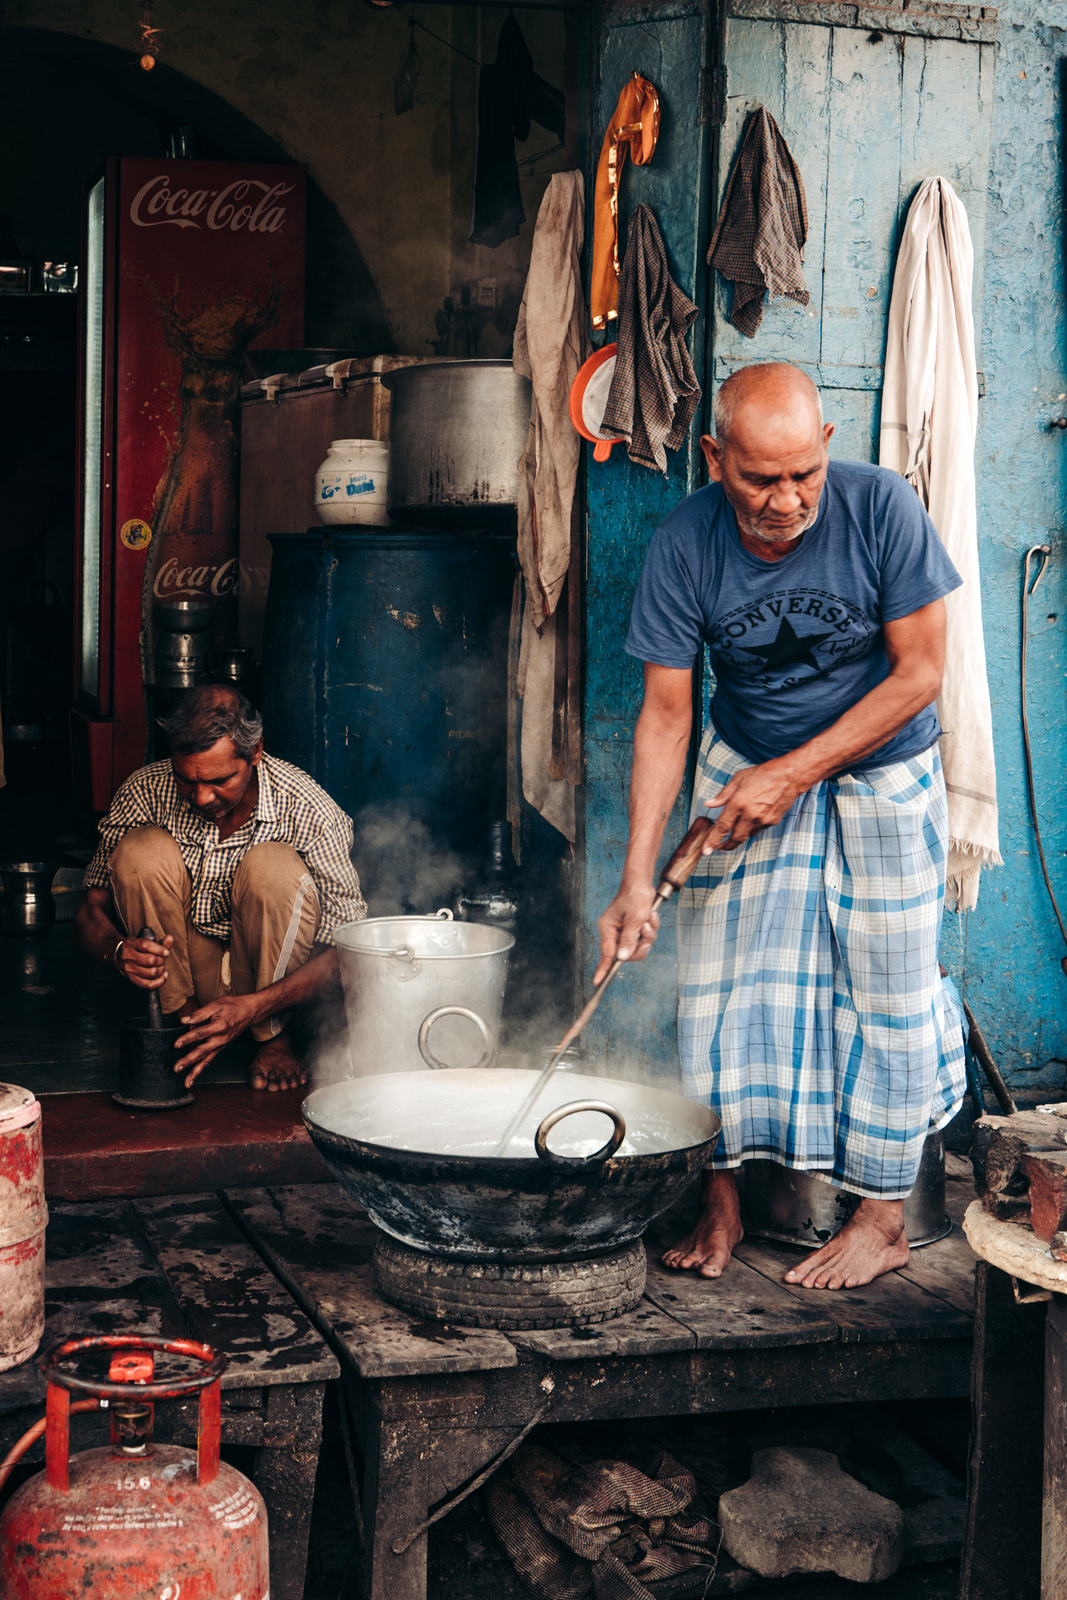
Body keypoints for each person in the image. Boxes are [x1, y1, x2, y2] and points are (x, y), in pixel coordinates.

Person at [596, 362, 967, 1290]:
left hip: (882, 766)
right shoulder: (684, 543)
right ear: (715, 457)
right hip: (744, 762)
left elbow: (920, 675)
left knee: (890, 986)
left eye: (802, 474)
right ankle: (718, 1206)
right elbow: (667, 717)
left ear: (826, 451)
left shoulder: (881, 508)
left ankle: (882, 1219)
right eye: (759, 477)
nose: (786, 499)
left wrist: (795, 774)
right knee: (720, 986)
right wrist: (636, 877)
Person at [75, 684, 365, 1091]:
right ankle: (186, 1028)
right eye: (185, 779)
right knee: (141, 850)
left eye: (219, 780)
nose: (200, 796)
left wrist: (256, 1007)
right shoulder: (144, 790)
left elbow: (349, 950)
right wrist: (120, 950)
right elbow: (91, 908)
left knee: (274, 866)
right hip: (186, 977)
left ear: (255, 752)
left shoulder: (309, 808)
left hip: (270, 988)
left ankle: (275, 1040)